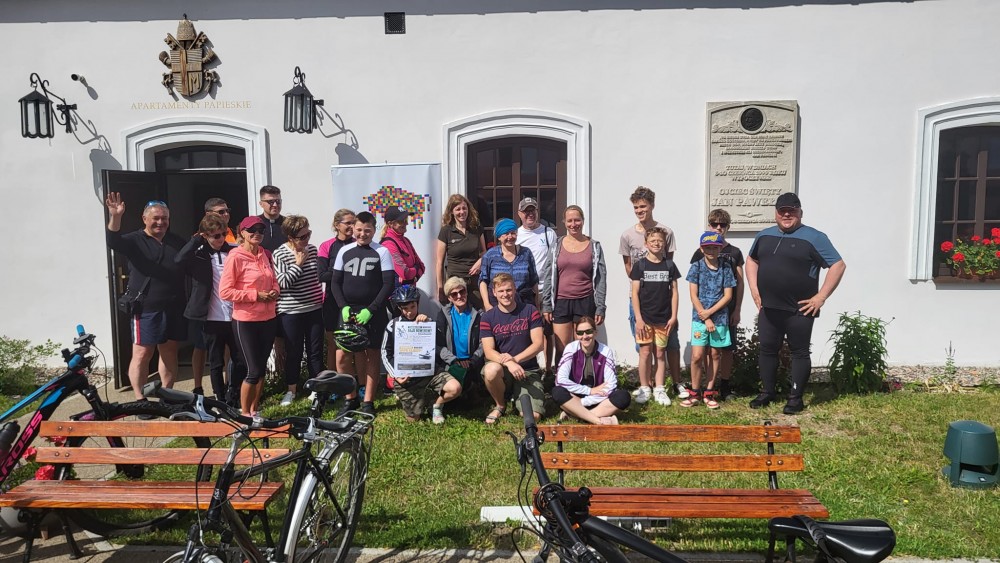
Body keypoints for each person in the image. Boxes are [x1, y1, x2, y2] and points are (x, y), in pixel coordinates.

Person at [746, 193, 846, 414]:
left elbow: (838, 265)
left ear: (800, 212)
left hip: (799, 309)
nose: (787, 215)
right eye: (782, 211)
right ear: (776, 213)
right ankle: (767, 392)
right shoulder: (764, 235)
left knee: (799, 352)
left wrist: (821, 297)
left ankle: (795, 398)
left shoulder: (815, 237)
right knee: (767, 349)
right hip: (769, 307)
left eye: (792, 211)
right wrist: (754, 289)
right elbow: (752, 259)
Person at [105, 193, 186, 400]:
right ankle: (140, 400)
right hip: (146, 308)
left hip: (173, 306)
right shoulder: (134, 240)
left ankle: (167, 396)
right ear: (145, 219)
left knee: (169, 352)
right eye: (155, 218)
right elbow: (113, 241)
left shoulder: (175, 241)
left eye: (164, 218)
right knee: (142, 354)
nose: (160, 222)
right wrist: (115, 216)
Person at [619, 186, 686, 399]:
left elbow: (668, 265)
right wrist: (642, 284)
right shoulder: (627, 235)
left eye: (643, 206)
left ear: (652, 206)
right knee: (643, 348)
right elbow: (628, 266)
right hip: (639, 300)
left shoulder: (666, 232)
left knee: (667, 346)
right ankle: (645, 386)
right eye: (636, 207)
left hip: (663, 303)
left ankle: (671, 384)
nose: (640, 211)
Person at [175, 213, 245, 405]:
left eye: (223, 234)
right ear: (205, 236)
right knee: (216, 361)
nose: (221, 239)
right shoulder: (198, 253)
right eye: (216, 236)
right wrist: (195, 240)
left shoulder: (233, 250)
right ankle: (219, 398)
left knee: (239, 358)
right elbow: (178, 260)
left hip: (234, 314)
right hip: (212, 316)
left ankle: (234, 395)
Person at [331, 211, 396, 417]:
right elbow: (335, 282)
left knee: (371, 355)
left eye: (367, 230)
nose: (362, 234)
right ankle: (350, 398)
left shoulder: (382, 252)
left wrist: (371, 309)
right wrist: (343, 306)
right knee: (342, 356)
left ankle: (368, 401)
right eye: (359, 230)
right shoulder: (345, 251)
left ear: (374, 230)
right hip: (348, 311)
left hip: (373, 311)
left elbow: (388, 284)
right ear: (353, 229)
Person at [219, 216, 279, 416]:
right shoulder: (235, 257)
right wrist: (255, 295)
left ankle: (255, 410)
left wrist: (275, 291)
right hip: (246, 320)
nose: (257, 234)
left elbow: (273, 280)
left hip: (268, 319)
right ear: (242, 233)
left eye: (261, 230)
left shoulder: (265, 254)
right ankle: (245, 414)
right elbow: (225, 292)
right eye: (252, 230)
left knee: (261, 369)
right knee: (252, 370)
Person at [381, 285, 462, 423]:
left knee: (455, 388)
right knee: (413, 420)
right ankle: (419, 399)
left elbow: (439, 345)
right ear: (399, 308)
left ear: (417, 304)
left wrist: (428, 324)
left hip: (429, 371)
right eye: (405, 308)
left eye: (412, 307)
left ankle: (436, 404)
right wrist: (396, 373)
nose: (409, 312)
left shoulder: (427, 321)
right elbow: (385, 352)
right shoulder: (393, 325)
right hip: (407, 377)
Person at [689, 209, 744, 401]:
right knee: (704, 350)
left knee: (724, 350)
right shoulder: (699, 255)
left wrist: (737, 309)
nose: (718, 227)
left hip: (725, 311)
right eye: (714, 224)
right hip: (702, 313)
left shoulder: (735, 252)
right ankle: (704, 387)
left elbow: (739, 283)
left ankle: (724, 387)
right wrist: (704, 314)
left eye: (722, 224)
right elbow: (693, 289)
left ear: (728, 227)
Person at [541, 205, 607, 363]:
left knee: (583, 347)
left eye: (577, 220)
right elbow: (548, 274)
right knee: (562, 349)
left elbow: (601, 278)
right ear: (564, 222)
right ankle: (561, 378)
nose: (573, 224)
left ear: (583, 221)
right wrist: (547, 305)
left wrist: (600, 306)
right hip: (561, 302)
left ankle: (582, 377)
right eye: (569, 220)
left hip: (585, 301)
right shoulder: (556, 245)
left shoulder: (594, 246)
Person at [480, 273, 545, 424]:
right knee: (491, 370)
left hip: (527, 371)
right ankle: (500, 405)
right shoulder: (487, 317)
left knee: (533, 416)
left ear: (515, 289)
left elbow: (538, 344)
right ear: (494, 293)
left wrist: (515, 359)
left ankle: (518, 397)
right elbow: (488, 351)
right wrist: (509, 363)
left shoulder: (530, 310)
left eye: (509, 290)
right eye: (501, 291)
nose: (505, 294)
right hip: (503, 370)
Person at [273, 215, 324, 406]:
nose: (307, 239)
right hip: (291, 310)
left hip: (314, 308)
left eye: (308, 234)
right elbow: (283, 283)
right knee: (293, 351)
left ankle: (316, 388)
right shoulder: (280, 254)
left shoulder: (313, 249)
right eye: (302, 237)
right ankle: (291, 390)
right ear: (290, 237)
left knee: (315, 351)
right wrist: (298, 264)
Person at [683, 232, 736, 409]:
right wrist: (704, 316)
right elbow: (693, 295)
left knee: (714, 354)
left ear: (720, 248)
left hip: (719, 318)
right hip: (699, 318)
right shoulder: (696, 266)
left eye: (715, 247)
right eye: (708, 248)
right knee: (697, 355)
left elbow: (728, 296)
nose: (711, 251)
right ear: (701, 249)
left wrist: (710, 313)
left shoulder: (726, 267)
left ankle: (709, 391)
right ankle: (695, 391)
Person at [629, 227, 681, 406]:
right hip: (644, 319)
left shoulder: (670, 265)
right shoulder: (640, 266)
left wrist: (673, 316)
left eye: (660, 241)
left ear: (664, 244)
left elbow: (675, 292)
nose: (656, 244)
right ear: (646, 244)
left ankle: (659, 388)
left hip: (663, 319)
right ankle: (645, 387)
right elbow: (634, 293)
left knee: (660, 353)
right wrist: (638, 318)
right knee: (644, 352)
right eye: (653, 241)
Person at [551, 316, 629, 425]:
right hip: (574, 397)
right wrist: (589, 391)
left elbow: (611, 385)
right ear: (576, 335)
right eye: (580, 333)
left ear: (595, 332)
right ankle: (597, 420)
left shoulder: (606, 351)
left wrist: (584, 402)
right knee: (557, 392)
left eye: (588, 332)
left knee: (623, 396)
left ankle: (577, 415)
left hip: (597, 400)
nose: (584, 336)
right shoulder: (571, 348)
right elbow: (560, 380)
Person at [516, 197, 558, 374]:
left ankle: (548, 369)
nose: (530, 214)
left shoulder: (549, 233)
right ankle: (528, 369)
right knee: (525, 333)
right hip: (525, 293)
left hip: (546, 291)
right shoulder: (516, 235)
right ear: (520, 214)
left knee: (548, 332)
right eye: (526, 211)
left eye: (532, 210)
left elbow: (556, 260)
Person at [318, 209, 356, 373]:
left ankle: (354, 380)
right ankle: (333, 380)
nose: (352, 226)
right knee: (333, 343)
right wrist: (344, 271)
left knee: (356, 343)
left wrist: (335, 272)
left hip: (354, 300)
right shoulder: (327, 246)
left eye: (354, 222)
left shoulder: (359, 243)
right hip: (332, 301)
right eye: (348, 223)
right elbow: (322, 275)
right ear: (337, 225)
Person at [436, 275, 485, 400]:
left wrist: (473, 360)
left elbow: (484, 342)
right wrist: (453, 360)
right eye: (454, 294)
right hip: (451, 362)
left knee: (473, 401)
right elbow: (438, 345)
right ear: (449, 298)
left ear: (466, 292)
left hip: (473, 362)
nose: (459, 296)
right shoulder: (443, 315)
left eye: (462, 291)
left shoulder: (478, 314)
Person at [435, 194, 486, 309]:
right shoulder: (446, 231)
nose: (462, 212)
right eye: (458, 209)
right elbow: (439, 262)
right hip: (455, 282)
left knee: (478, 311)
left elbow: (484, 252)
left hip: (474, 280)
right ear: (451, 212)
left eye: (464, 208)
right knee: (457, 312)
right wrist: (440, 288)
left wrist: (480, 262)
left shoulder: (476, 227)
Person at [478, 218, 539, 311]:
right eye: (506, 234)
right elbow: (483, 280)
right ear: (499, 237)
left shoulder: (526, 253)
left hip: (524, 304)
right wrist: (486, 304)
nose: (510, 237)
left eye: (513, 233)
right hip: (498, 304)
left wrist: (537, 304)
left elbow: (534, 280)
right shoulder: (491, 255)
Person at [380, 206, 426, 288]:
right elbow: (405, 273)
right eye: (402, 221)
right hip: (396, 293)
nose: (406, 223)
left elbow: (422, 266)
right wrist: (416, 268)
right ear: (391, 224)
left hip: (409, 291)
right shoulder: (388, 244)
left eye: (406, 220)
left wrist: (414, 278)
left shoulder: (406, 240)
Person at [257, 185, 286, 252]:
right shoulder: (255, 224)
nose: (275, 205)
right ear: (261, 204)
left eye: (278, 201)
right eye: (271, 202)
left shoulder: (289, 224)